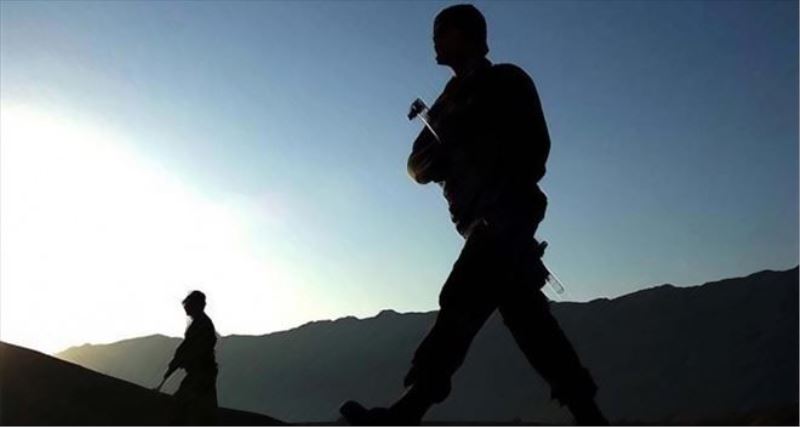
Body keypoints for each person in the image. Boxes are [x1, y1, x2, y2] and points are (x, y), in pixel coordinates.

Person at [341, 4, 608, 425]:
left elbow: (535, 148)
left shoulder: (506, 81)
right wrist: (443, 153)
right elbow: (416, 165)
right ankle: (589, 415)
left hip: (505, 215)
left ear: (468, 35)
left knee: (460, 298)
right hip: (478, 222)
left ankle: (409, 410)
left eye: (442, 31)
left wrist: (481, 148)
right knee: (528, 319)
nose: (434, 40)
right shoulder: (444, 104)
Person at [160, 290, 219, 425]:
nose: (186, 308)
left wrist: (179, 361)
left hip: (202, 374)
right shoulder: (200, 323)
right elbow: (187, 347)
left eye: (189, 304)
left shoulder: (202, 325)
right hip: (202, 373)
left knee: (183, 404)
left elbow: (194, 349)